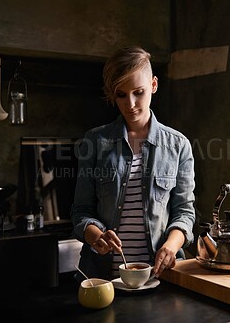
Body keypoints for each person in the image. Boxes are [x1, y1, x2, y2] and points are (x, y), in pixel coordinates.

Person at [71, 46, 196, 281]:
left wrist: (171, 245)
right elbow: (81, 211)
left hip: (163, 278)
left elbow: (184, 212)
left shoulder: (179, 145)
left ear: (154, 86)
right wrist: (94, 235)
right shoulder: (95, 141)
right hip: (103, 279)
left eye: (138, 92)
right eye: (121, 94)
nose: (130, 104)